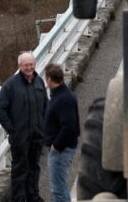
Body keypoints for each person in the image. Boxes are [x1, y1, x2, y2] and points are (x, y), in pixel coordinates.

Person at [0, 52, 48, 202]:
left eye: (31, 64)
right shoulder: (10, 85)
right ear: (20, 66)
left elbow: (45, 104)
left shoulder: (39, 82)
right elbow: (0, 109)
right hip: (20, 137)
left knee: (34, 168)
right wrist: (12, 130)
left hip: (37, 136)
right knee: (19, 170)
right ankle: (18, 199)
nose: (29, 67)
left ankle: (33, 196)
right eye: (26, 65)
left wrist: (43, 126)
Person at [44, 63, 80, 202]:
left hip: (61, 150)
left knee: (58, 191)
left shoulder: (63, 98)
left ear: (49, 79)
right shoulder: (61, 95)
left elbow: (70, 127)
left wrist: (57, 145)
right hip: (61, 148)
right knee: (60, 188)